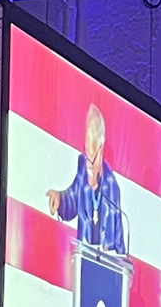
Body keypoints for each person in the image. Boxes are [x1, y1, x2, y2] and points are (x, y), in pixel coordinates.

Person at [46, 103, 127, 254]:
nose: (88, 165)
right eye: (86, 154)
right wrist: (59, 198)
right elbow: (73, 198)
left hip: (103, 265)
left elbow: (116, 238)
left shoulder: (111, 187)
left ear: (101, 150)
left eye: (92, 158)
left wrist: (109, 251)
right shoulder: (82, 170)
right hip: (81, 257)